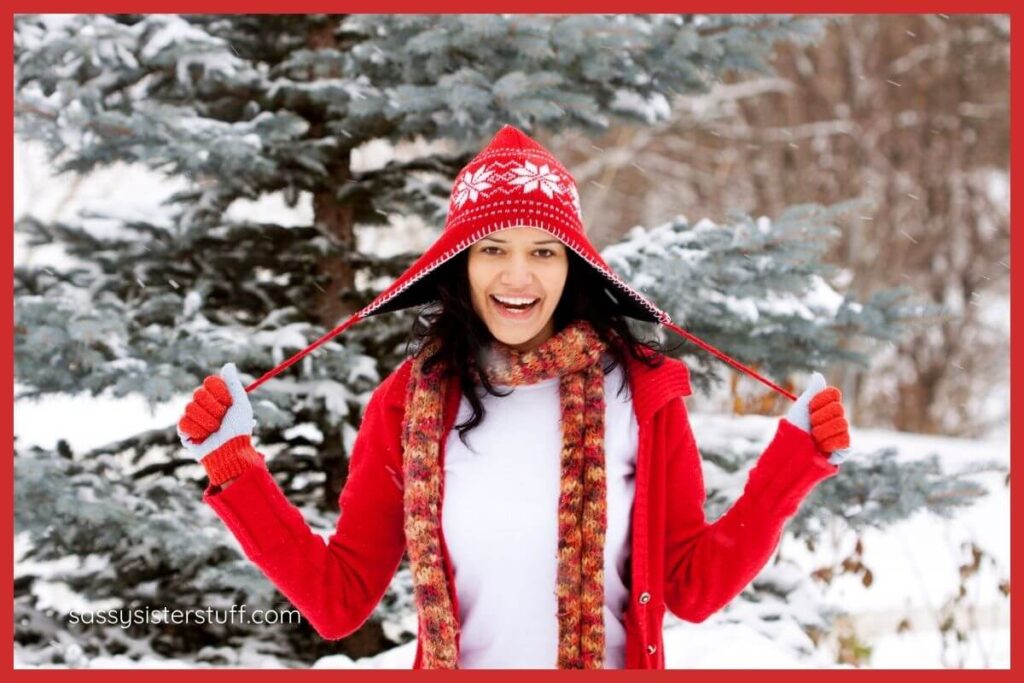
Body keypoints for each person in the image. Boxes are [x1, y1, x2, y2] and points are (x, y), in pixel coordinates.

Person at [176, 125, 851, 670]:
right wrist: (235, 466)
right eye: (493, 248)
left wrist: (794, 459)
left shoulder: (639, 391)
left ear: (573, 266)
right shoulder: (407, 404)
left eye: (545, 251)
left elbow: (693, 586)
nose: (518, 275)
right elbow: (338, 596)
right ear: (461, 264)